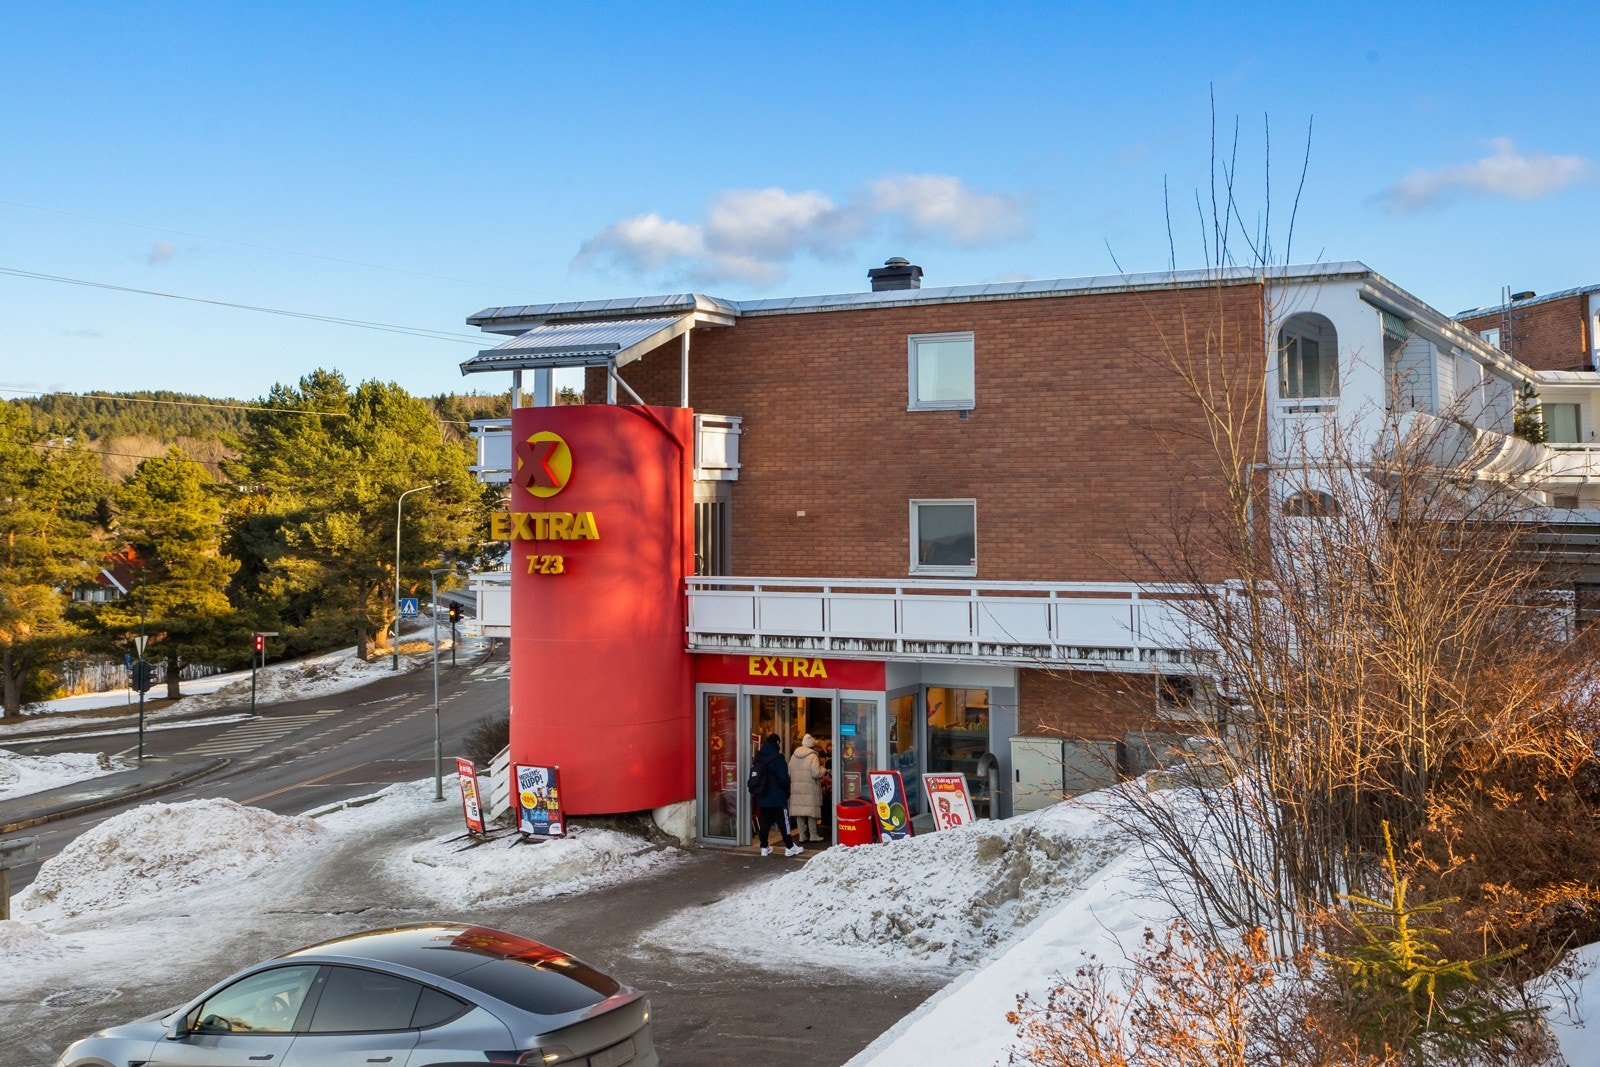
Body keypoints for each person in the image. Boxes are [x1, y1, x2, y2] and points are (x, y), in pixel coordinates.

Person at [751, 733, 802, 857]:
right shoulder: (778, 759)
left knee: (764, 823)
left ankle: (764, 847)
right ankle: (789, 847)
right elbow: (783, 778)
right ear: (777, 744)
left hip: (762, 797)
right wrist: (786, 791)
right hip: (778, 798)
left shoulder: (759, 757)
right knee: (784, 822)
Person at [788, 734, 825, 844]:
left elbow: (789, 772)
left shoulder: (793, 756)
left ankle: (801, 835)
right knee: (811, 812)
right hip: (810, 788)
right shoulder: (813, 756)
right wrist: (823, 769)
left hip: (797, 788)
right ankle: (813, 835)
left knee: (800, 812)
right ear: (812, 745)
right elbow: (816, 773)